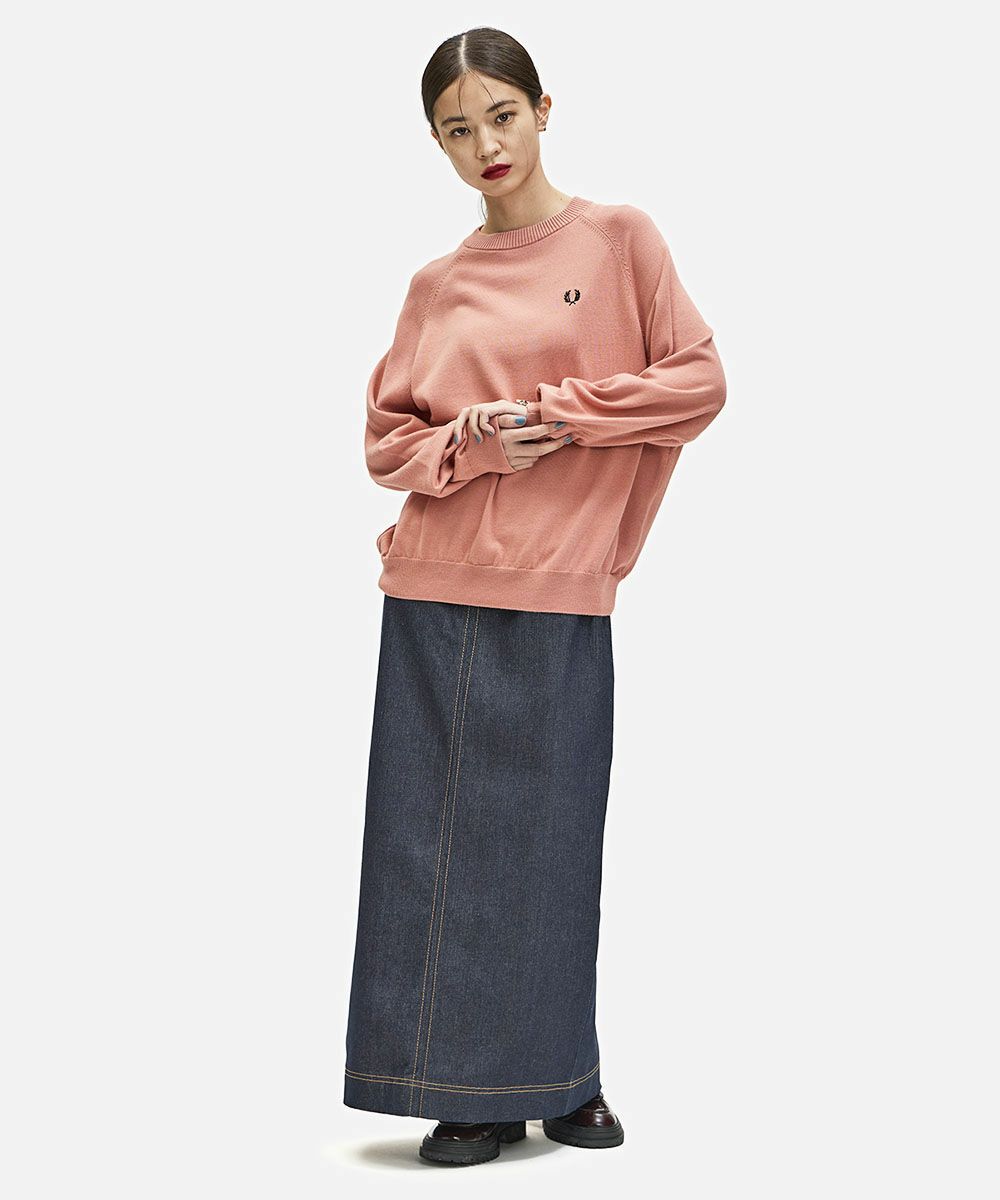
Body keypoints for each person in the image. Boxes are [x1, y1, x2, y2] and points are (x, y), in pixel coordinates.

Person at [343, 26, 727, 1167]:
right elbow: (386, 445)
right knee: (437, 852)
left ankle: (563, 1077)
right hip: (436, 586)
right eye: (457, 129)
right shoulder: (435, 285)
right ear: (437, 144)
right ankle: (467, 1092)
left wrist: (564, 414)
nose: (485, 145)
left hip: (564, 588)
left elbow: (698, 382)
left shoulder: (619, 240)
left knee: (552, 845)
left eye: (501, 115)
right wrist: (468, 443)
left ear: (544, 109)